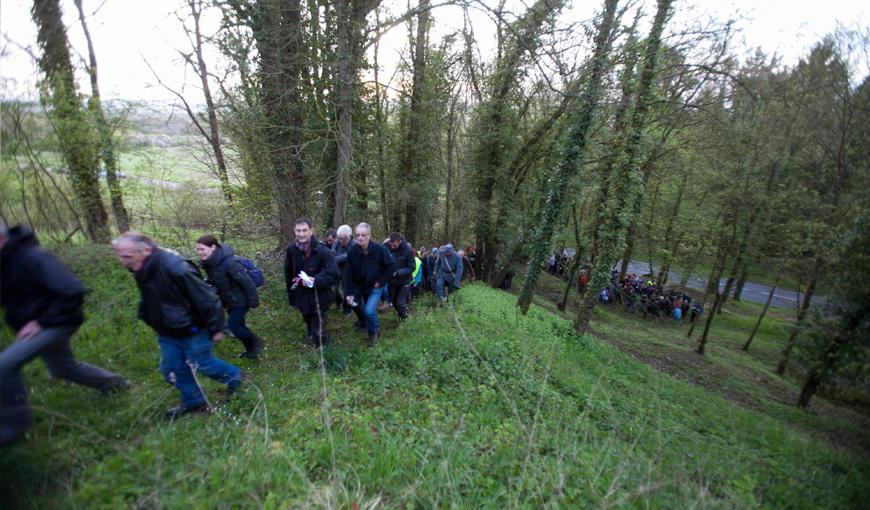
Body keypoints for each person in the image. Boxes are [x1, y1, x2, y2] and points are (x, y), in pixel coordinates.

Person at [0, 223, 128, 445]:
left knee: (4, 365)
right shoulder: (6, 262)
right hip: (42, 323)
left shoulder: (32, 257)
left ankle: (14, 424)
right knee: (63, 369)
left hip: (57, 323)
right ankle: (115, 384)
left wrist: (42, 321)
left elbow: (72, 289)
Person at [112, 231, 243, 419]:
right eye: (120, 256)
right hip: (167, 329)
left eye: (127, 256)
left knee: (203, 364)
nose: (122, 261)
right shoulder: (141, 266)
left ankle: (236, 378)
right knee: (171, 369)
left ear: (146, 250)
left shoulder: (177, 268)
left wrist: (216, 327)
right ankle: (195, 401)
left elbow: (207, 299)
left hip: (192, 327)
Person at [195, 235, 262, 359]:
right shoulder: (210, 263)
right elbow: (217, 280)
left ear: (213, 247)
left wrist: (254, 302)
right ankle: (251, 352)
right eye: (197, 249)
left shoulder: (229, 262)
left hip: (241, 300)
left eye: (202, 249)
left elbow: (246, 282)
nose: (199, 252)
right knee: (239, 326)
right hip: (230, 300)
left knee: (233, 326)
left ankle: (255, 342)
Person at [284, 218, 340, 349]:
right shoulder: (291, 250)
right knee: (307, 317)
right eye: (298, 230)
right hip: (301, 294)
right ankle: (311, 334)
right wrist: (291, 296)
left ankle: (323, 349)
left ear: (311, 231)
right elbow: (288, 274)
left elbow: (335, 275)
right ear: (294, 231)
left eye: (304, 230)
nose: (301, 234)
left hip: (319, 294)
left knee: (318, 322)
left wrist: (316, 280)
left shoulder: (322, 251)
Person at [344, 223, 395, 346]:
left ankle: (372, 336)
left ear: (369, 235)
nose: (360, 238)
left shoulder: (380, 249)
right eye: (358, 235)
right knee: (366, 310)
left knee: (369, 311)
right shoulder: (352, 251)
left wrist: (381, 282)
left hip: (376, 286)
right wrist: (350, 293)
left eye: (363, 235)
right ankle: (375, 328)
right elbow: (348, 273)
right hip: (361, 286)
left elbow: (391, 266)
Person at [385, 233, 415, 322]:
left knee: (400, 302)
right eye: (391, 244)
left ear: (400, 241)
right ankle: (401, 315)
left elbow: (412, 267)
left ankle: (405, 320)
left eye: (394, 245)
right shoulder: (386, 247)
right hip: (392, 281)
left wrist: (398, 272)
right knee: (394, 302)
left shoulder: (408, 250)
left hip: (404, 280)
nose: (392, 247)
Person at [331, 224, 356, 317]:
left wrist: (335, 257)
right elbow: (332, 252)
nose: (341, 241)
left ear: (349, 236)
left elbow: (345, 257)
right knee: (333, 288)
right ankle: (339, 303)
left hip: (349, 272)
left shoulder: (355, 245)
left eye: (343, 238)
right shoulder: (338, 241)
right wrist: (334, 255)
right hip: (337, 269)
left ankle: (348, 310)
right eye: (339, 238)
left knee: (347, 291)